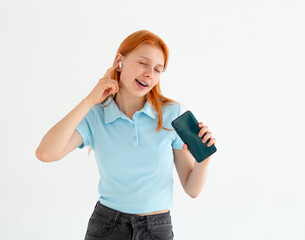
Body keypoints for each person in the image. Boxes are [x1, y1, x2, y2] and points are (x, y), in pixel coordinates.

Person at [35, 29, 216, 240]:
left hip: (156, 229)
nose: (150, 74)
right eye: (143, 63)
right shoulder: (96, 114)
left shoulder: (171, 114)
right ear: (119, 61)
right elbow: (46, 153)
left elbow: (192, 189)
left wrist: (205, 158)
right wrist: (88, 101)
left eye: (158, 69)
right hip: (107, 226)